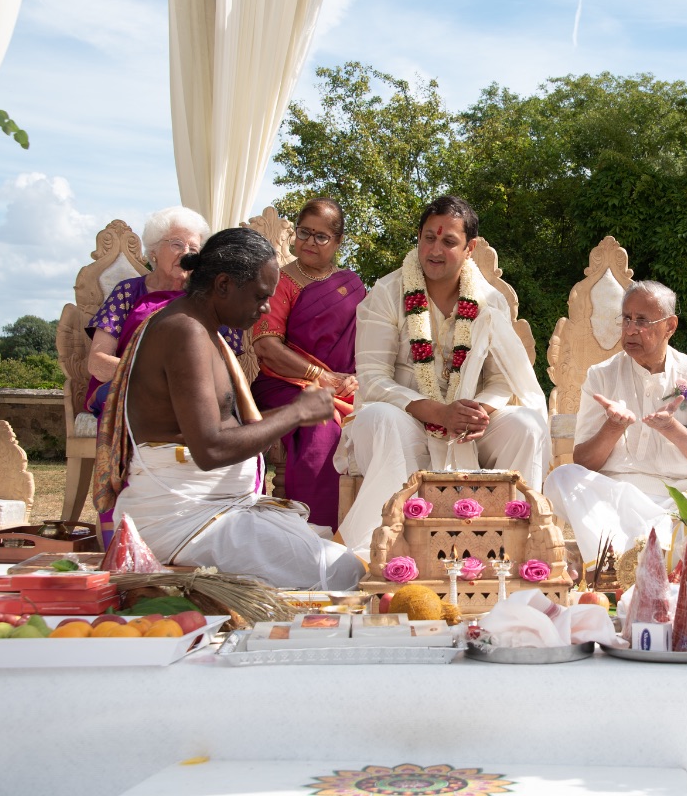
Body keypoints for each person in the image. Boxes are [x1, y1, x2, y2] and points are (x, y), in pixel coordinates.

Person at [93, 227, 363, 590]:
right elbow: (212, 447)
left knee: (338, 553)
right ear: (222, 285)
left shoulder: (202, 329)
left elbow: (227, 430)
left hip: (206, 515)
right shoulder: (185, 332)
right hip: (185, 522)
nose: (265, 307)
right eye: (259, 296)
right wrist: (296, 412)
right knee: (343, 571)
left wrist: (296, 412)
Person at [334, 196, 549, 555]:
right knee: (382, 417)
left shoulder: (488, 301)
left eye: (448, 241)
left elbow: (501, 379)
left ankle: (510, 546)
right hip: (407, 422)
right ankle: (384, 548)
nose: (435, 249)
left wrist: (476, 413)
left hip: (467, 430)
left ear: (470, 248)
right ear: (418, 238)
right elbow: (372, 379)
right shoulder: (387, 293)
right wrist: (436, 412)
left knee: (526, 424)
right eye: (428, 239)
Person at [542, 281, 687, 571]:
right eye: (626, 319)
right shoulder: (602, 376)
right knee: (562, 478)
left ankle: (625, 556)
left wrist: (674, 430)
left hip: (680, 499)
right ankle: (652, 557)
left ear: (670, 326)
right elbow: (584, 462)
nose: (631, 329)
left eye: (642, 321)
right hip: (617, 496)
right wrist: (612, 427)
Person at [250, 198, 364, 530]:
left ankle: (362, 529)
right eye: (303, 232)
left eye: (321, 236)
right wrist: (321, 376)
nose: (309, 242)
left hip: (347, 388)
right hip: (285, 384)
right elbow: (268, 347)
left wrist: (354, 378)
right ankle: (313, 528)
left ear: (338, 241)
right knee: (321, 424)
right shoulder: (278, 282)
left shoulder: (351, 286)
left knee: (382, 422)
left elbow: (367, 343)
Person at [85, 206, 244, 417]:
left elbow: (225, 366)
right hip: (131, 387)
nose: (186, 253)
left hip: (192, 393)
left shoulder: (207, 300)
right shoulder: (128, 292)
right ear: (154, 251)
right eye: (177, 244)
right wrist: (156, 377)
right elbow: (97, 361)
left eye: (193, 249)